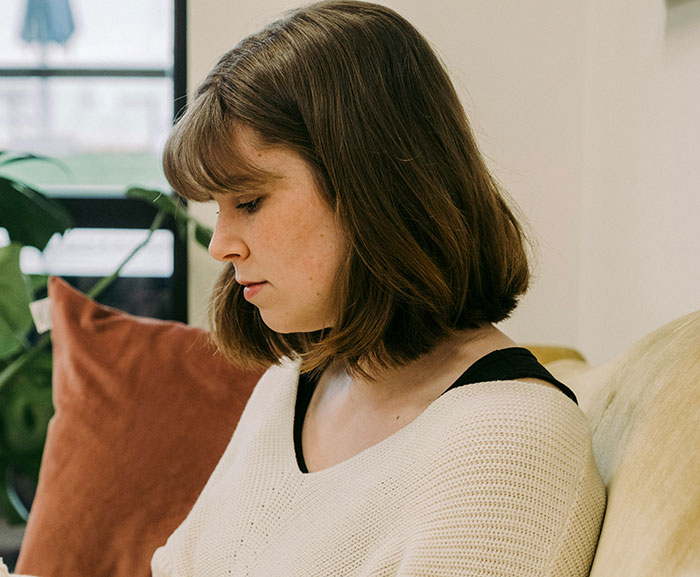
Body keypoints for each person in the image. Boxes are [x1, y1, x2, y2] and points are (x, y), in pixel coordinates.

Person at [151, 1, 606, 575]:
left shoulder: (509, 440)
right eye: (216, 209)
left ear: (372, 187)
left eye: (249, 202)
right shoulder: (292, 385)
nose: (220, 245)